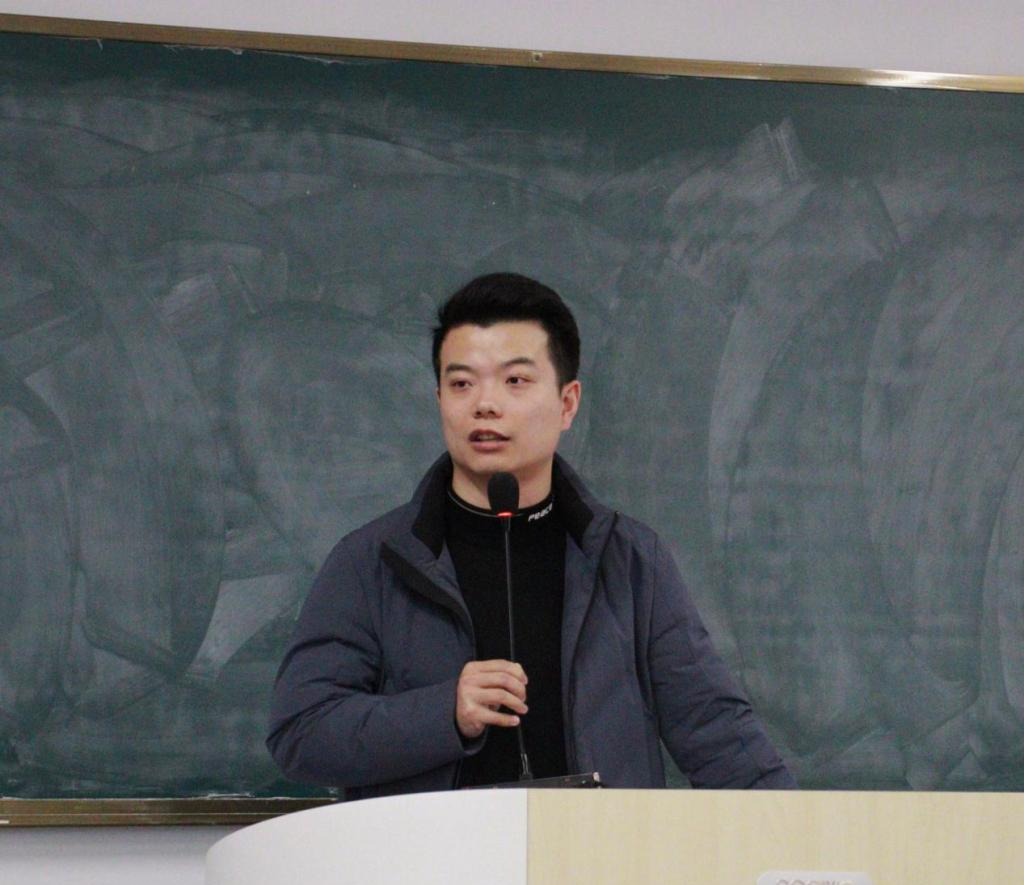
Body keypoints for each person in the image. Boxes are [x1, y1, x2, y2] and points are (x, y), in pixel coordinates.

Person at [267, 272, 796, 798]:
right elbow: (301, 731)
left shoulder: (630, 560)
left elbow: (717, 732)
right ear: (439, 399)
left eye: (515, 381)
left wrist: (802, 836)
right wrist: (444, 711)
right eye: (461, 384)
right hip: (432, 848)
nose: (485, 404)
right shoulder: (372, 560)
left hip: (592, 849)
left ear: (568, 403)